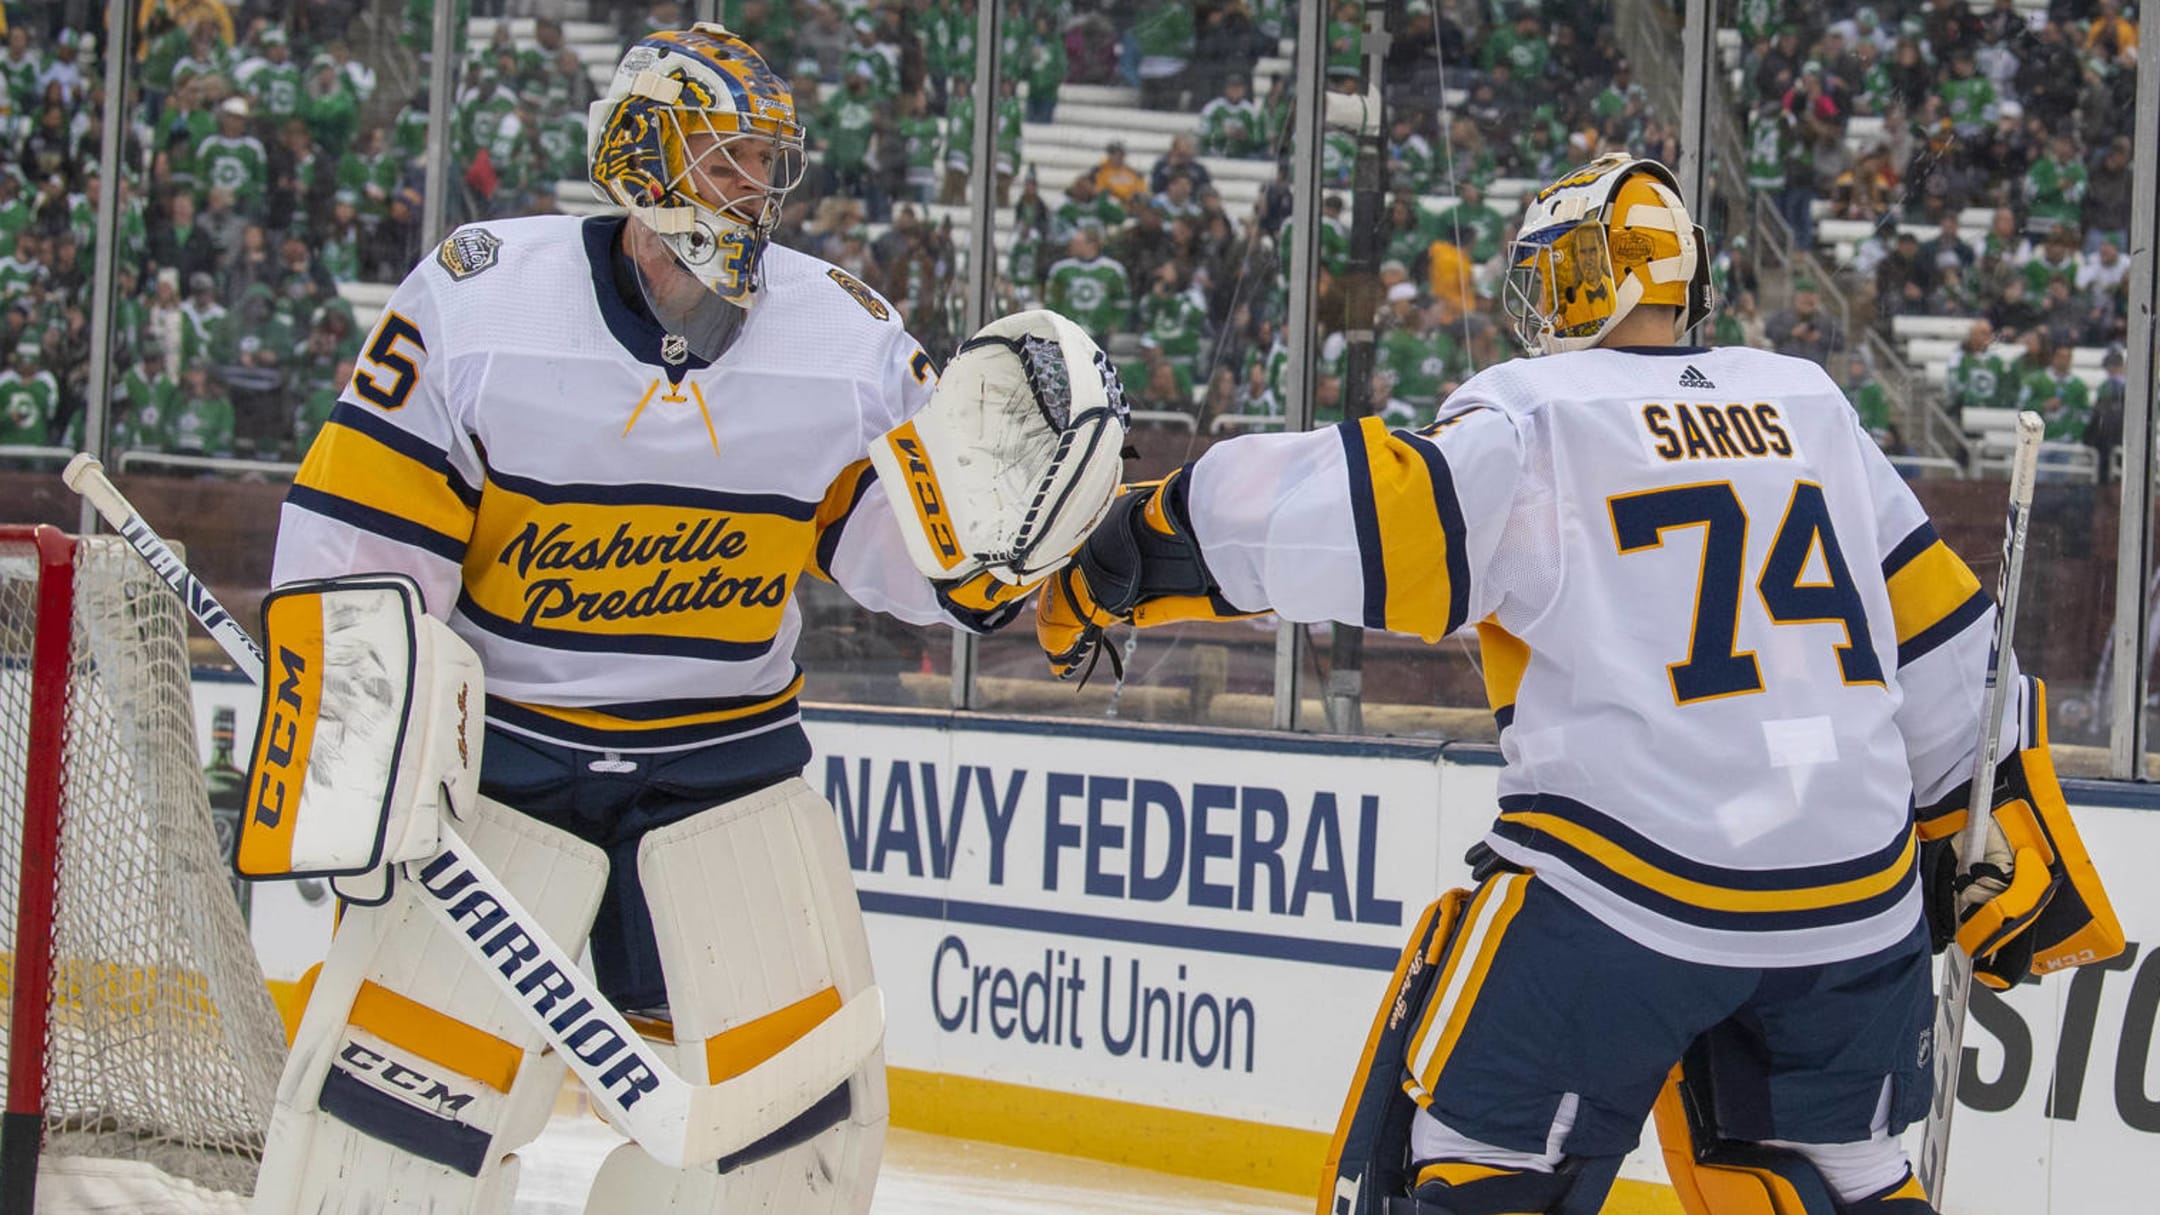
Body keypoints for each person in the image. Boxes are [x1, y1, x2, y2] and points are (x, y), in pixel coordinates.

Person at [1034, 153, 2119, 1215]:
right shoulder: (1810, 401)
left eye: (1556, 268)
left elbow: (1367, 518)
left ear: (1602, 273)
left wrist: (1141, 535)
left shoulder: (1540, 409)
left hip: (1628, 882)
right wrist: (1990, 835)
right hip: (1850, 895)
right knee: (1847, 1174)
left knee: (1462, 1150)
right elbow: (1946, 643)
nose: (1540, 297)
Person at [253, 24, 1046, 1214]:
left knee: (785, 1149)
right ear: (634, 152)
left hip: (724, 775)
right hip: (504, 765)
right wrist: (352, 754)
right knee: (390, 1132)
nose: (750, 186)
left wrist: (1008, 549)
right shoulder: (480, 297)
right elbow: (358, 540)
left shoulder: (848, 339)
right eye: (720, 154)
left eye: (764, 161)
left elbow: (918, 556)